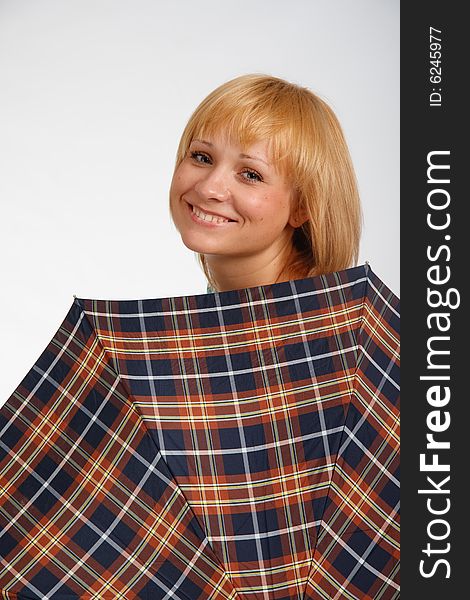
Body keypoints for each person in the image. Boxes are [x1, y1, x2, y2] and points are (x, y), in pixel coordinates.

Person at [169, 73, 362, 293]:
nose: (208, 188)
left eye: (251, 175)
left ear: (303, 207)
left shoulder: (318, 322)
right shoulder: (224, 306)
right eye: (202, 157)